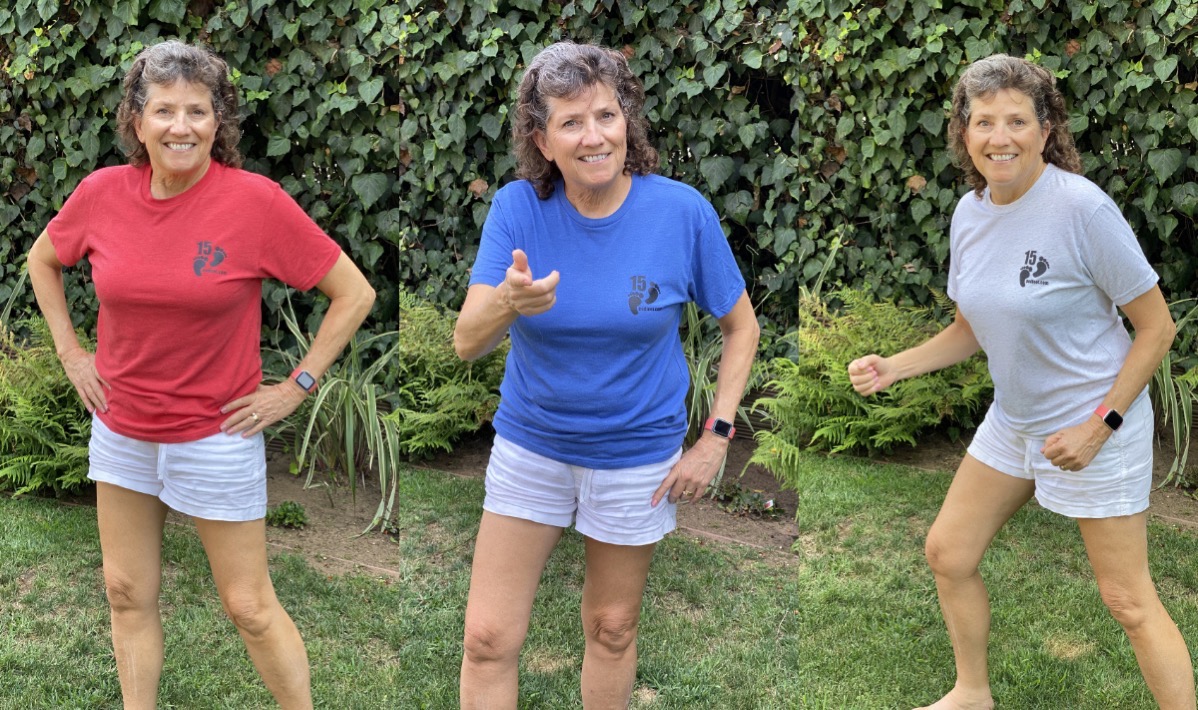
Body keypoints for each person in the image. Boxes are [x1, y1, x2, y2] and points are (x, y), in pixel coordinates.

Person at [26, 40, 376, 709]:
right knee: (126, 592)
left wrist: (296, 386)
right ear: (136, 121)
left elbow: (353, 293)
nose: (180, 126)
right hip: (122, 429)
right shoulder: (101, 194)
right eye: (164, 110)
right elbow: (44, 260)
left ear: (219, 122)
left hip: (216, 434)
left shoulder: (255, 202)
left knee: (247, 604)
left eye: (197, 110)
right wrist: (72, 353)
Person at [848, 54, 1194, 710]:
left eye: (1015, 120)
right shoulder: (969, 215)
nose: (998, 136)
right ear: (964, 132)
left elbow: (1157, 328)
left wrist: (1101, 425)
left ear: (1045, 129)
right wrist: (897, 366)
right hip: (1017, 420)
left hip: (1098, 423)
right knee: (948, 553)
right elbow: (970, 327)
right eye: (983, 122)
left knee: (1128, 599)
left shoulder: (1081, 210)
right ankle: (972, 694)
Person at [453, 41, 759, 708]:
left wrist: (715, 435)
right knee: (486, 637)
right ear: (543, 138)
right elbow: (466, 341)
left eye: (606, 116)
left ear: (628, 121)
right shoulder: (518, 209)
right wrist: (508, 301)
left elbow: (743, 327)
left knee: (613, 628)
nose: (594, 137)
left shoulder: (681, 213)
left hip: (635, 458)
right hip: (532, 447)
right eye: (571, 122)